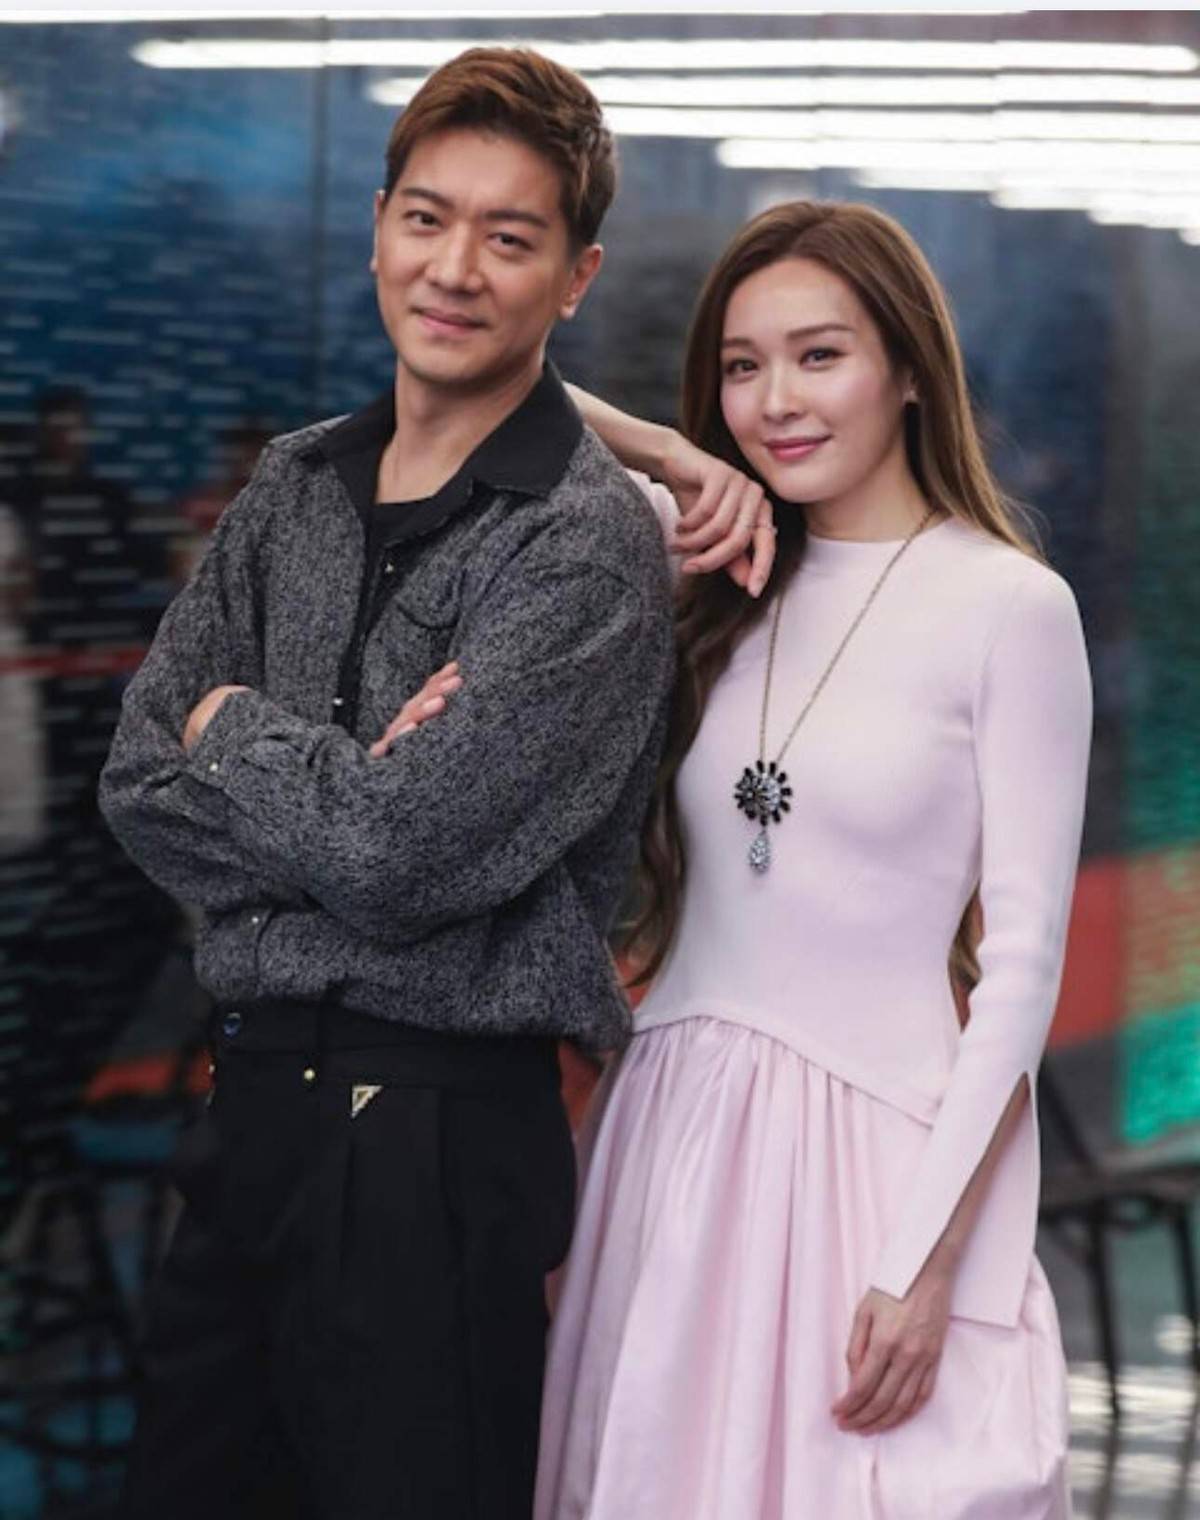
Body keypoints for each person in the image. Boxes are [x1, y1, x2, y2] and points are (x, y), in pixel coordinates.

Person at [97, 47, 763, 1520]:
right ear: (380, 229)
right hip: (250, 1110)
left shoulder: (582, 544)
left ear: (575, 279)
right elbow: (138, 779)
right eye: (426, 218)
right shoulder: (293, 486)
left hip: (435, 1145)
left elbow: (404, 857)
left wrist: (233, 728)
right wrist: (330, 795)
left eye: (509, 238)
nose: (454, 269)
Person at [412, 199, 1092, 1517]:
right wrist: (671, 455)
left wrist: (929, 1259)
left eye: (819, 355)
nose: (775, 400)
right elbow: (483, 385)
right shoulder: (708, 573)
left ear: (909, 369)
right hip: (672, 1134)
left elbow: (1021, 973)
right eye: (741, 365)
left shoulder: (1010, 606)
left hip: (876, 1165)